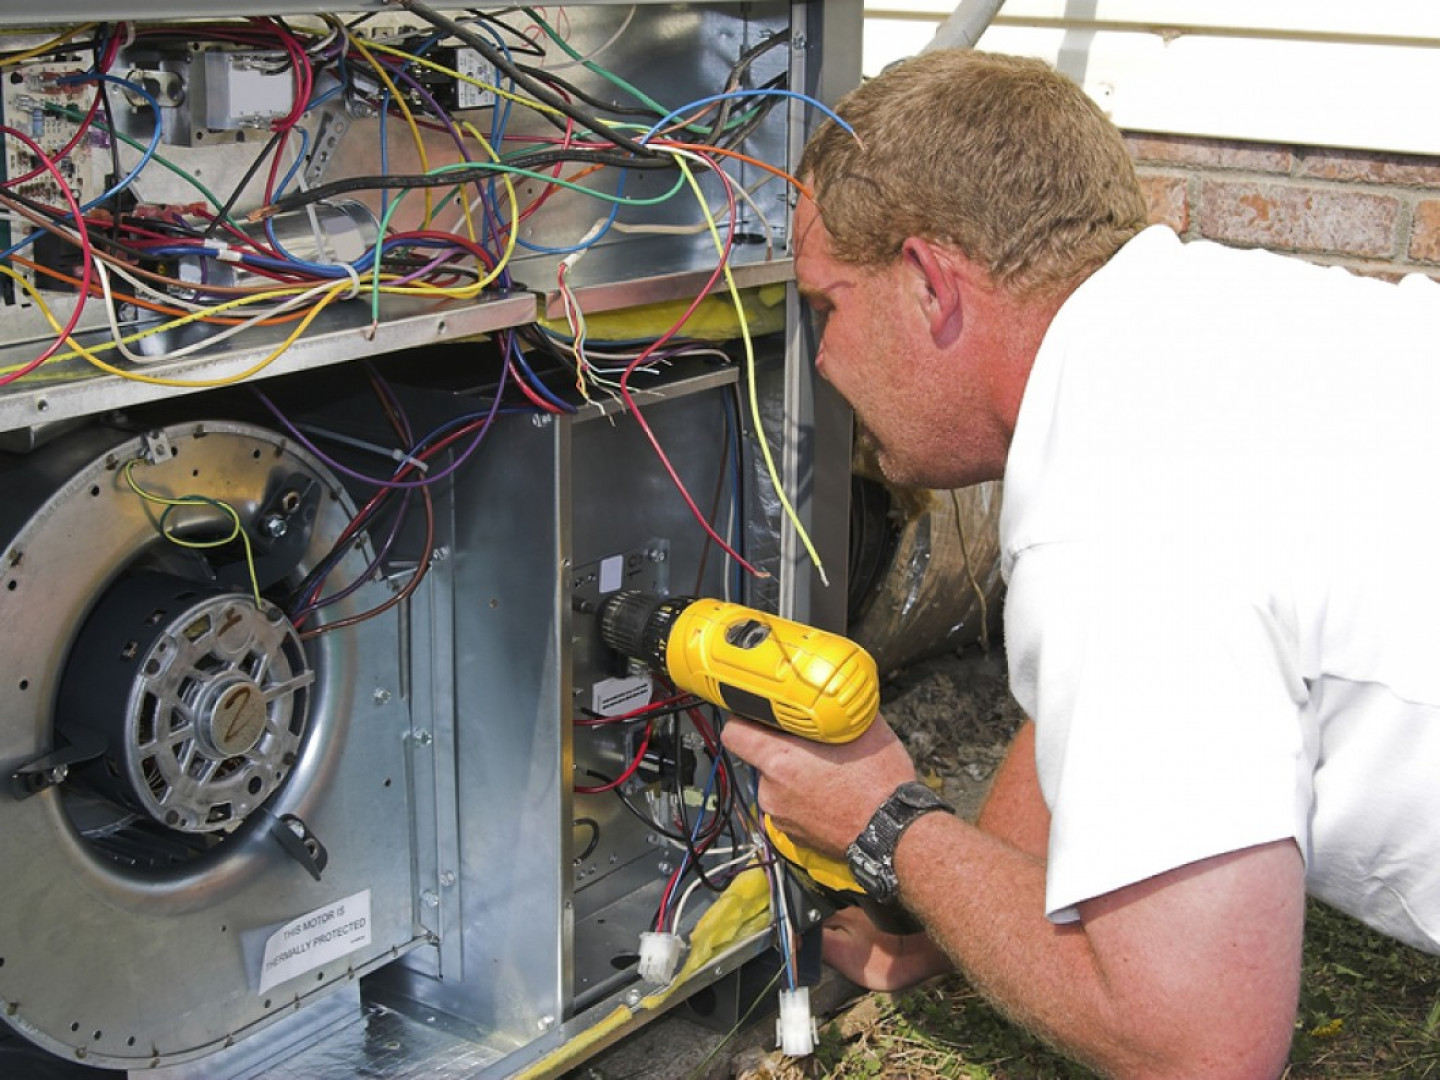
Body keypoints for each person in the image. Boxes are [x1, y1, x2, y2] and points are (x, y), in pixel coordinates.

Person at [720, 48, 1440, 1079]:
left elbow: (1201, 1050)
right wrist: (966, 910)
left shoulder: (1122, 505)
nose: (823, 362)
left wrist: (890, 829)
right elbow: (1118, 716)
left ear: (930, 284)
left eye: (829, 307)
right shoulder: (1209, 327)